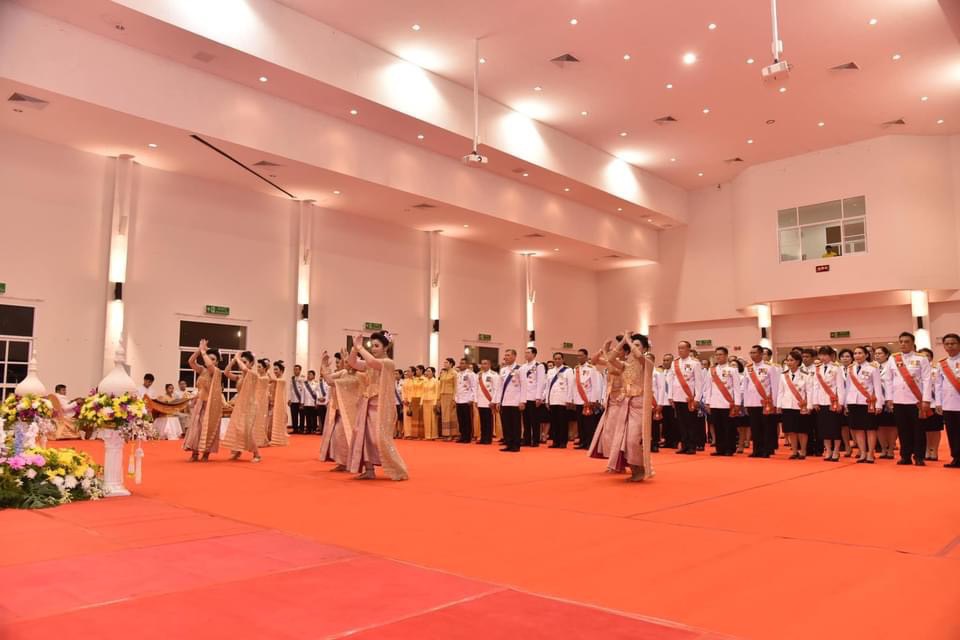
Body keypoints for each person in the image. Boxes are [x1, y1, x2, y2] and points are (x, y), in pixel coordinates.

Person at [347, 331, 408, 480]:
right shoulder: (370, 363)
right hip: (367, 403)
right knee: (363, 436)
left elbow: (373, 362)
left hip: (381, 406)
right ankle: (369, 469)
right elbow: (352, 363)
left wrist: (360, 348)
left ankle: (397, 468)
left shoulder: (388, 363)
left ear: (385, 348)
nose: (373, 349)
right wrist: (354, 348)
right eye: (372, 346)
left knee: (378, 438)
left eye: (376, 346)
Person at [606, 333, 655, 482]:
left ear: (645, 349)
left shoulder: (647, 363)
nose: (634, 347)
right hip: (626, 403)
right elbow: (610, 359)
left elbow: (638, 355)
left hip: (640, 405)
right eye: (633, 345)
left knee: (633, 440)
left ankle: (641, 469)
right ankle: (635, 470)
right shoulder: (626, 365)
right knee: (624, 440)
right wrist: (622, 342)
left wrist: (629, 340)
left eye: (638, 345)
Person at [887, 332, 932, 466]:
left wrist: (926, 399)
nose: (903, 344)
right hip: (898, 399)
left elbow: (927, 380)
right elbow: (888, 379)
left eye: (906, 341)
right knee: (903, 430)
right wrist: (889, 398)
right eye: (901, 341)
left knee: (918, 429)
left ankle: (919, 456)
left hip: (916, 400)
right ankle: (905, 456)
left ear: (913, 343)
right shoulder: (893, 358)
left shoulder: (921, 358)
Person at [182, 340, 225, 462]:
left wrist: (203, 352)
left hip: (211, 406)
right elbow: (191, 361)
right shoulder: (202, 370)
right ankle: (194, 453)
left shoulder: (216, 372)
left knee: (208, 428)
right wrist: (199, 350)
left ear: (217, 362)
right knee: (196, 428)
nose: (210, 361)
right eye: (209, 358)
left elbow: (210, 366)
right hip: (200, 403)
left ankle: (206, 453)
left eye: (213, 359)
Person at [319, 351, 360, 472]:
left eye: (348, 361)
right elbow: (329, 379)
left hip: (352, 412)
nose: (346, 363)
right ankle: (343, 462)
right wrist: (325, 367)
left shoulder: (357, 377)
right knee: (338, 435)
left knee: (345, 436)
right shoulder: (344, 373)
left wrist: (325, 367)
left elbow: (331, 382)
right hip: (341, 410)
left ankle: (349, 463)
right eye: (345, 361)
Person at [845, 346, 883, 464]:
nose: (857, 355)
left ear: (866, 355)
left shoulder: (873, 368)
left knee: (870, 428)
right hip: (853, 401)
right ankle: (862, 452)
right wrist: (846, 403)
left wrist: (879, 404)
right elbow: (848, 387)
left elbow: (877, 387)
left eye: (860, 353)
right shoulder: (850, 368)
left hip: (868, 402)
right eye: (855, 353)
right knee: (858, 429)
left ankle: (870, 452)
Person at [222, 351, 262, 462]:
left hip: (250, 405)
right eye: (242, 362)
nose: (242, 364)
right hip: (240, 405)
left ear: (251, 363)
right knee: (237, 429)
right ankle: (237, 451)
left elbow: (244, 369)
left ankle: (257, 454)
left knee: (247, 430)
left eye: (245, 362)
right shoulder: (239, 377)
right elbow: (226, 372)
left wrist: (238, 359)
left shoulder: (253, 375)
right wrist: (233, 360)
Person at [703, 346, 742, 456]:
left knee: (729, 427)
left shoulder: (732, 370)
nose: (718, 357)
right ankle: (720, 448)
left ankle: (730, 448)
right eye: (716, 355)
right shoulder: (712, 370)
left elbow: (737, 388)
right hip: (715, 402)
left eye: (720, 354)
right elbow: (708, 387)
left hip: (728, 403)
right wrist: (707, 402)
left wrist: (737, 403)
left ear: (726, 356)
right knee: (718, 427)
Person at [742, 344, 779, 458]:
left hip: (766, 402)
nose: (752, 355)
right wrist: (746, 403)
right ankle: (756, 450)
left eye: (755, 353)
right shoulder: (748, 368)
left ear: (761, 354)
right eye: (751, 353)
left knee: (766, 427)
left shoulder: (770, 367)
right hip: (752, 402)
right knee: (755, 427)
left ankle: (767, 449)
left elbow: (775, 386)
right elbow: (745, 387)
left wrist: (775, 403)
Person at [667, 341, 704, 454]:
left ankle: (692, 446)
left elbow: (699, 382)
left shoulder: (695, 363)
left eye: (683, 348)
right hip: (677, 397)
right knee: (681, 423)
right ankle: (684, 445)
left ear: (688, 350)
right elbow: (670, 380)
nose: (680, 350)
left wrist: (697, 398)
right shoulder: (674, 363)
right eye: (679, 348)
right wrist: (670, 396)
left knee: (691, 423)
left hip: (689, 398)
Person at [812, 346, 845, 462]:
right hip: (821, 402)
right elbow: (815, 386)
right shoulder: (817, 368)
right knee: (824, 428)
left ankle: (836, 450)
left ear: (831, 356)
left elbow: (840, 386)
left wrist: (840, 402)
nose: (823, 357)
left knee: (835, 427)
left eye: (825, 355)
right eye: (821, 355)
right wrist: (815, 402)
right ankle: (828, 450)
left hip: (833, 401)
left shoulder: (837, 368)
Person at [778, 350, 812, 459]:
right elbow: (780, 391)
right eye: (787, 360)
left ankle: (803, 451)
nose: (789, 362)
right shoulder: (783, 375)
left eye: (791, 360)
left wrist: (809, 406)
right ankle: (794, 451)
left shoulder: (805, 375)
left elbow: (809, 391)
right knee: (791, 430)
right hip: (787, 405)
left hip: (801, 406)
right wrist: (779, 405)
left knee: (802, 430)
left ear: (798, 362)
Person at [936, 333, 960, 468]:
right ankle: (956, 457)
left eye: (953, 343)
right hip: (949, 404)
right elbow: (938, 385)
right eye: (947, 344)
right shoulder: (941, 364)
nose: (950, 346)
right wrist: (938, 403)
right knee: (952, 433)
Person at [572, 348, 602, 450]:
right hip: (578, 399)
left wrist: (593, 400)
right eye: (578, 356)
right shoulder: (576, 369)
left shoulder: (591, 368)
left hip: (588, 399)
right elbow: (574, 385)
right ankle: (583, 441)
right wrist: (573, 398)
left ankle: (590, 443)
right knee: (580, 423)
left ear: (586, 356)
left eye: (581, 355)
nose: (579, 357)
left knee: (589, 423)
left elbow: (595, 385)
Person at [493, 349, 522, 452]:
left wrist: (522, 401)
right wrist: (498, 401)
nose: (506, 357)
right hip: (505, 401)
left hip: (515, 401)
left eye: (508, 355)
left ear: (514, 356)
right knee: (506, 424)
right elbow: (499, 387)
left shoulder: (520, 369)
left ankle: (516, 445)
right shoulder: (503, 370)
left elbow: (524, 386)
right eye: (505, 355)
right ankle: (508, 444)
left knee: (515, 424)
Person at [544, 352, 575, 448]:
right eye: (555, 359)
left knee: (563, 422)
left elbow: (571, 385)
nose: (557, 360)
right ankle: (555, 441)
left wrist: (569, 399)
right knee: (554, 422)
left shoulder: (568, 370)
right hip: (553, 399)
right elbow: (547, 387)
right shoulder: (550, 371)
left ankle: (563, 442)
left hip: (563, 399)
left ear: (562, 360)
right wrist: (547, 400)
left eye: (559, 359)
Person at [918, 348, 943, 460]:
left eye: (927, 356)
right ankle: (927, 449)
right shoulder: (915, 371)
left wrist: (939, 403)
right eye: (922, 356)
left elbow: (939, 387)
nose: (924, 358)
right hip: (920, 404)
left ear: (931, 358)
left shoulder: (936, 370)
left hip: (934, 404)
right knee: (924, 429)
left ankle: (934, 450)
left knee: (935, 429)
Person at [873, 346, 897, 459]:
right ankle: (883, 448)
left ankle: (891, 448)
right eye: (876, 353)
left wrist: (890, 399)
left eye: (880, 353)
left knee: (892, 425)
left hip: (890, 399)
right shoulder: (872, 366)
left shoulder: (892, 365)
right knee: (879, 426)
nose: (877, 355)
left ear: (887, 355)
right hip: (876, 401)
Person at [520, 347, 546, 447]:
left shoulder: (539, 366)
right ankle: (526, 439)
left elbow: (541, 382)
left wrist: (538, 397)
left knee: (534, 420)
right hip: (524, 397)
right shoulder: (523, 367)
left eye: (528, 352)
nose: (526, 354)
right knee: (525, 420)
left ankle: (535, 440)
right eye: (525, 352)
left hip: (534, 396)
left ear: (534, 354)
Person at [474, 358, 500, 444]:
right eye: (482, 364)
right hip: (480, 401)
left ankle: (488, 438)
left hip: (489, 401)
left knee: (488, 421)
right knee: (482, 421)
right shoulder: (478, 375)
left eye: (485, 363)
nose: (483, 365)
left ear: (489, 365)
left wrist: (494, 401)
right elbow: (476, 388)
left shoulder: (494, 375)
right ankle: (483, 438)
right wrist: (476, 400)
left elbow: (496, 389)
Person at [266, 361, 290, 446]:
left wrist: (267, 370)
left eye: (276, 369)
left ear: (281, 371)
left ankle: (277, 439)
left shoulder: (282, 380)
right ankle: (270, 438)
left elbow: (273, 380)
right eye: (274, 369)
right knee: (270, 423)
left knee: (275, 422)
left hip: (279, 406)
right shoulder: (275, 381)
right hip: (272, 404)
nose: (275, 371)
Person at [455, 358, 476, 443]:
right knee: (460, 419)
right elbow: (457, 387)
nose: (461, 365)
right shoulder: (458, 374)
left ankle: (467, 437)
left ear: (467, 365)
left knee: (467, 419)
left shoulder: (471, 374)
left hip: (467, 399)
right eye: (460, 363)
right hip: (459, 399)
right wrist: (456, 398)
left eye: (463, 363)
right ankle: (462, 435)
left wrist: (472, 398)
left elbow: (474, 386)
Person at [438, 358, 459, 440]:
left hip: (450, 395)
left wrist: (454, 398)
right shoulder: (443, 373)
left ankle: (453, 434)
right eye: (444, 362)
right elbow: (440, 386)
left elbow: (456, 386)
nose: (444, 364)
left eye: (446, 362)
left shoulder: (454, 373)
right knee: (444, 415)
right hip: (443, 395)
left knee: (451, 415)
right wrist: (439, 398)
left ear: (451, 364)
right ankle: (446, 433)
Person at [421, 366, 440, 440]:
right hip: (425, 401)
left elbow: (437, 392)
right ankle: (427, 435)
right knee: (426, 419)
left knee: (433, 419)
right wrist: (421, 402)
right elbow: (422, 392)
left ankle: (434, 435)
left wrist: (435, 402)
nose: (427, 372)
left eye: (429, 371)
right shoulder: (424, 381)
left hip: (432, 401)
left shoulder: (436, 381)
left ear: (433, 372)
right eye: (427, 371)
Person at [301, 369, 319, 435]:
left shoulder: (316, 384)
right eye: (308, 374)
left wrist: (317, 402)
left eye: (310, 374)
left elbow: (318, 394)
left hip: (313, 402)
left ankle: (314, 429)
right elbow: (302, 394)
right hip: (306, 403)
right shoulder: (304, 384)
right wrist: (302, 403)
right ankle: (308, 429)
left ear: (314, 376)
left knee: (314, 416)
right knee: (307, 416)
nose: (309, 376)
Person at [289, 364, 305, 434]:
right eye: (294, 369)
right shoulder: (292, 379)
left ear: (300, 370)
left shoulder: (303, 379)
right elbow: (291, 390)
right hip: (293, 400)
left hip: (300, 400)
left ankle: (301, 429)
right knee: (294, 415)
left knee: (301, 415)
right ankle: (295, 429)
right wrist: (289, 399)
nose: (295, 371)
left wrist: (302, 401)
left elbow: (303, 390)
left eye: (297, 369)